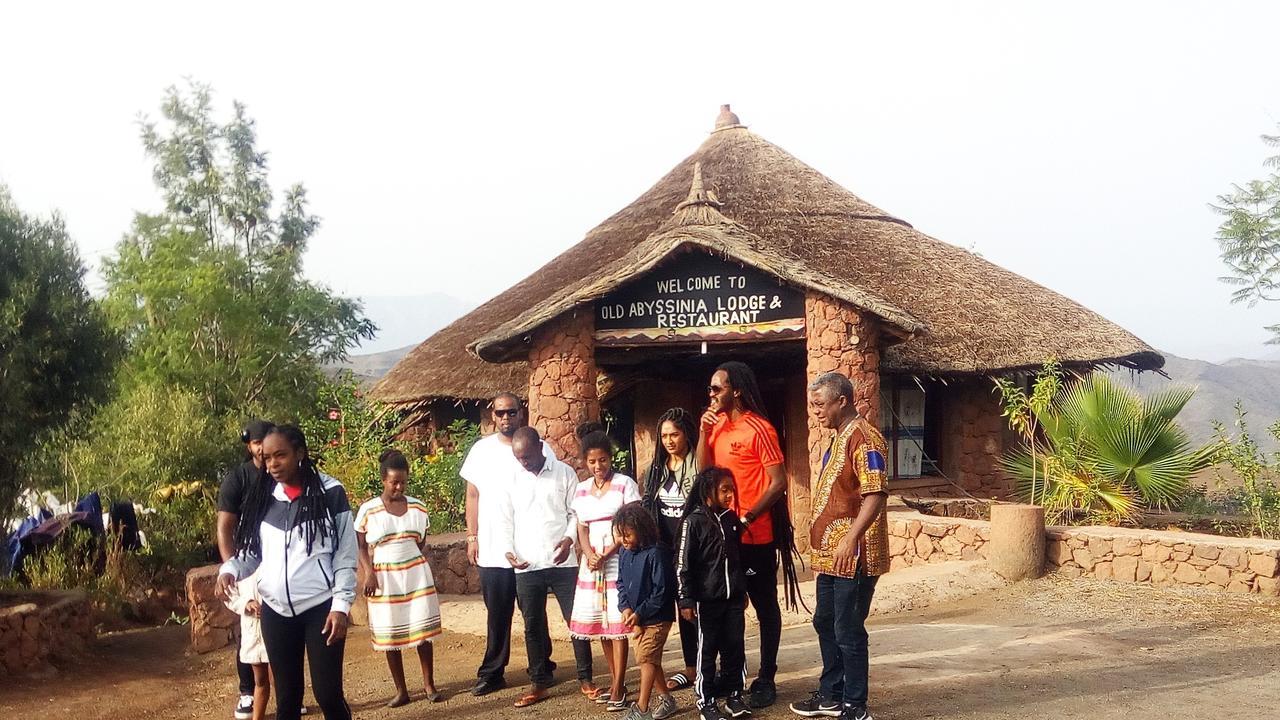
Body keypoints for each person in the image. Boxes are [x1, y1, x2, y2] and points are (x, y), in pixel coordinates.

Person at [216, 425, 357, 720]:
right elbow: (253, 552)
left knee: (328, 694)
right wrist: (230, 569)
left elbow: (345, 556)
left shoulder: (330, 493)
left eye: (280, 455)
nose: (273, 464)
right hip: (275, 612)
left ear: (300, 453)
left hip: (321, 608)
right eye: (267, 458)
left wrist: (341, 606)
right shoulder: (263, 497)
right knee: (288, 701)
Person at [695, 361, 798, 708]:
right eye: (709, 389)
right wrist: (701, 433)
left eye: (716, 388)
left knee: (765, 606)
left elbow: (779, 482)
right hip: (723, 536)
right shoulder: (716, 426)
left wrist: (747, 517)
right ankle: (730, 674)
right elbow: (703, 472)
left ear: (735, 389)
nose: (710, 394)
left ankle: (767, 677)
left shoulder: (760, 428)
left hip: (756, 535)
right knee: (727, 607)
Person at [789, 373, 889, 720]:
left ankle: (855, 704)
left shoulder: (865, 439)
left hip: (854, 555)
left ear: (842, 400)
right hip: (832, 557)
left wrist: (851, 538)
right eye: (812, 404)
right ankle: (831, 694)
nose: (815, 411)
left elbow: (874, 493)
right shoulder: (839, 439)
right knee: (825, 621)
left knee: (848, 628)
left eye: (820, 404)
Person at [460, 392, 555, 696]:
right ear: (492, 415)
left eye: (511, 412)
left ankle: (541, 667)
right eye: (500, 413)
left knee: (534, 613)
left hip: (530, 549)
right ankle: (492, 673)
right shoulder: (481, 451)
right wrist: (472, 536)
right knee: (497, 614)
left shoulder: (542, 448)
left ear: (521, 413)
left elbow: (550, 491)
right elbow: (472, 496)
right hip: (492, 547)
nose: (505, 418)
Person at [497, 426, 595, 708]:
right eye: (519, 458)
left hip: (563, 561)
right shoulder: (512, 479)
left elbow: (576, 513)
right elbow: (505, 520)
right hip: (526, 564)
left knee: (576, 621)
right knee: (533, 626)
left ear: (540, 448)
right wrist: (509, 552)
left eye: (528, 456)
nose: (524, 462)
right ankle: (539, 683)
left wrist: (568, 540)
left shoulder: (564, 473)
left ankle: (586, 678)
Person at [355, 449, 444, 708]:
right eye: (394, 482)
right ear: (383, 479)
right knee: (390, 632)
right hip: (384, 576)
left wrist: (410, 561)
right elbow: (360, 545)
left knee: (422, 631)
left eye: (403, 482)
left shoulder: (417, 506)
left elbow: (422, 541)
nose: (399, 486)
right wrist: (369, 573)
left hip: (416, 574)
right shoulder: (368, 510)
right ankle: (401, 690)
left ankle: (429, 685)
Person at [569, 430, 641, 711]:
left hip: (618, 559)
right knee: (601, 624)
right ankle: (613, 680)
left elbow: (632, 524)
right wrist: (588, 553)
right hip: (591, 564)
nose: (598, 466)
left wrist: (607, 553)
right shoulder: (582, 489)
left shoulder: (625, 484)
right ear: (586, 462)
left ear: (611, 458)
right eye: (592, 462)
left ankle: (620, 686)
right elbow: (581, 526)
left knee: (618, 623)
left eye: (602, 460)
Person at [677, 467, 749, 720]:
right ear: (709, 491)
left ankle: (735, 696)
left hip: (733, 600)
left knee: (735, 647)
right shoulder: (693, 522)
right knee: (707, 651)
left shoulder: (731, 519)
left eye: (732, 489)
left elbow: (738, 558)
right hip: (707, 601)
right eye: (724, 489)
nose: (730, 494)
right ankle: (706, 701)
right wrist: (686, 599)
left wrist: (742, 589)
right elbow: (683, 565)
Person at [217, 419, 275, 720]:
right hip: (247, 561)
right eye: (257, 443)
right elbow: (225, 526)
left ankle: (286, 693)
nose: (263, 449)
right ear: (248, 446)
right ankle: (247, 692)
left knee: (281, 630)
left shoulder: (280, 473)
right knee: (248, 633)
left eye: (267, 442)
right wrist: (232, 568)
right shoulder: (237, 479)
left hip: (280, 559)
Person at [640, 407, 700, 692]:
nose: (669, 441)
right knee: (680, 608)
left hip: (696, 551)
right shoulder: (656, 470)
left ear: (686, 433)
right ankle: (691, 669)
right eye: (664, 435)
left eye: (674, 434)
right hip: (665, 551)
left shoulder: (699, 466)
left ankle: (709, 666)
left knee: (697, 608)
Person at [614, 501, 679, 720]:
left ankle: (642, 708)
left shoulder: (657, 553)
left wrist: (640, 612)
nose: (624, 541)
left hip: (658, 617)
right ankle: (667, 700)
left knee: (646, 658)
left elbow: (662, 590)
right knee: (650, 659)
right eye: (620, 535)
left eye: (628, 535)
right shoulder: (624, 552)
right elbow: (621, 582)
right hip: (636, 618)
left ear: (641, 530)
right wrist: (625, 607)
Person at [224, 572, 270, 720]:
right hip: (252, 632)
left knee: (280, 679)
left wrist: (270, 608)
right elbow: (228, 594)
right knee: (260, 679)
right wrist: (246, 603)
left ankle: (290, 706)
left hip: (274, 627)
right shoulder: (237, 565)